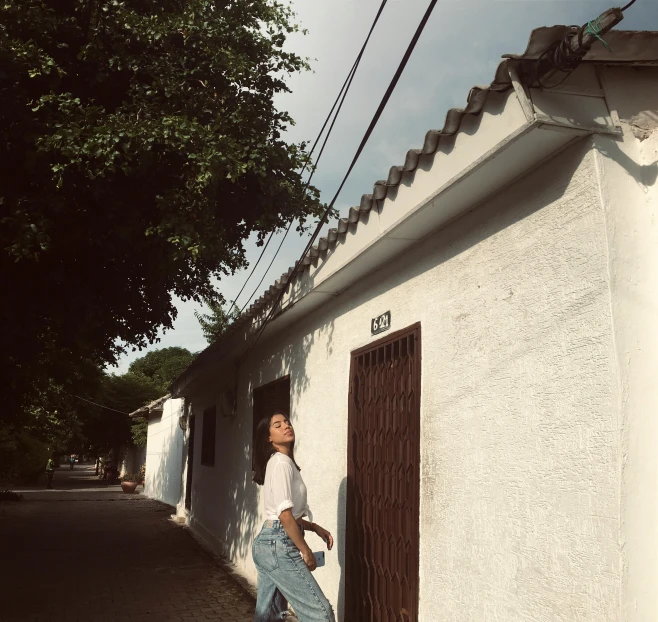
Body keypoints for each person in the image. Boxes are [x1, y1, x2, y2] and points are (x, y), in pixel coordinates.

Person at [252, 411, 335, 622]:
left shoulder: (283, 462)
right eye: (277, 425)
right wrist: (304, 550)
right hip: (278, 544)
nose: (286, 426)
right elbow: (284, 515)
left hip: (270, 543)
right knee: (320, 613)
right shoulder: (280, 463)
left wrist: (313, 526)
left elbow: (288, 515)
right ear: (268, 437)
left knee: (269, 615)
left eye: (287, 422)